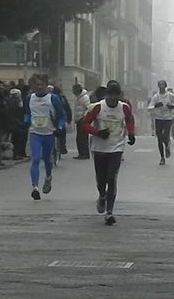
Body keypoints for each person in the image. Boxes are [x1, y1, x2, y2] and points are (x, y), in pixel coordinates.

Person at [82, 80, 135, 225]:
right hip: (99, 148)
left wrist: (131, 133)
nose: (113, 99)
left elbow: (130, 120)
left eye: (115, 96)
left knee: (112, 178)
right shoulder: (98, 108)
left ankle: (109, 212)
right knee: (101, 179)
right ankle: (101, 195)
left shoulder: (124, 108)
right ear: (106, 95)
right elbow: (85, 124)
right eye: (110, 96)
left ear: (119, 96)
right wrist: (97, 132)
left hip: (116, 148)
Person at [24, 74, 66, 200]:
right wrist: (25, 121)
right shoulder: (29, 98)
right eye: (37, 84)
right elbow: (27, 113)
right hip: (35, 132)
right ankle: (35, 187)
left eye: (42, 84)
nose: (39, 87)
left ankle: (48, 176)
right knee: (35, 158)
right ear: (33, 86)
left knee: (47, 159)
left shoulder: (53, 98)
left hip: (49, 133)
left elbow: (62, 115)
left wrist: (59, 127)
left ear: (46, 85)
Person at [148, 80, 174, 165]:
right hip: (159, 118)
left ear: (165, 86)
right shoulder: (156, 97)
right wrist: (156, 106)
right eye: (159, 85)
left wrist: (171, 107)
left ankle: (167, 145)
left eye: (163, 85)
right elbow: (149, 107)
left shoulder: (170, 96)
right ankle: (162, 157)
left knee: (165, 135)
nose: (161, 86)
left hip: (168, 118)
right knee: (159, 138)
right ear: (158, 86)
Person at [8, 88, 27, 160]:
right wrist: (19, 122)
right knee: (17, 139)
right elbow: (13, 114)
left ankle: (20, 153)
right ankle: (16, 154)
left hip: (20, 122)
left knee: (20, 139)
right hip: (16, 123)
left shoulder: (21, 101)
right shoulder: (13, 102)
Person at [72, 84, 91, 159]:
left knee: (82, 138)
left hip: (82, 120)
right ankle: (82, 153)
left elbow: (88, 108)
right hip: (79, 119)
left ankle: (84, 154)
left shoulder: (84, 97)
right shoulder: (78, 97)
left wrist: (84, 117)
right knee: (79, 138)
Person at [52, 86, 72, 155]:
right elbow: (67, 108)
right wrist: (69, 118)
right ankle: (62, 148)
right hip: (61, 118)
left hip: (53, 118)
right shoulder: (62, 97)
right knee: (62, 134)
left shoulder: (50, 97)